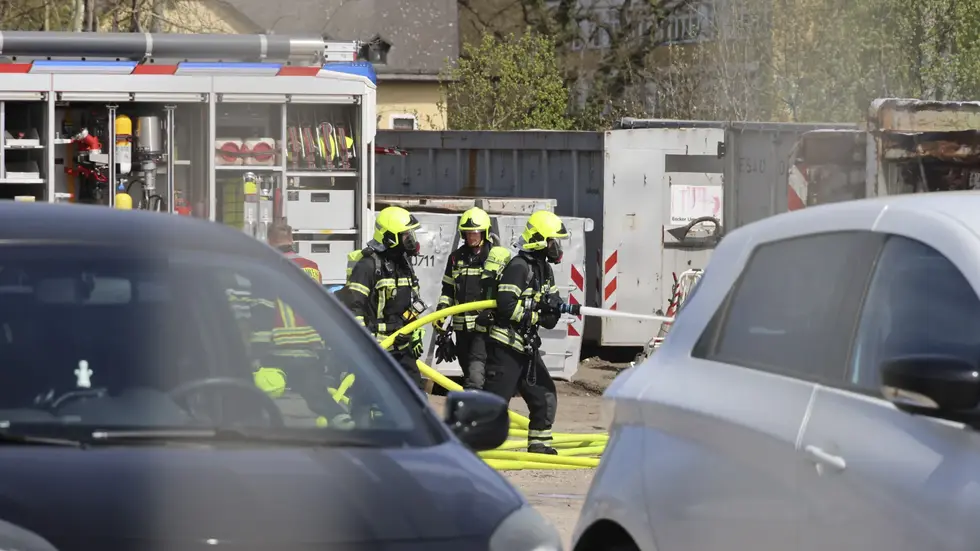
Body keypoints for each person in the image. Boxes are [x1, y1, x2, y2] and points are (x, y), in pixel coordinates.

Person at [482, 211, 580, 455]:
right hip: (505, 346)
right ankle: (478, 448)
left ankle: (539, 445)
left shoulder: (545, 271)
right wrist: (536, 313)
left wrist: (548, 310)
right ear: (538, 240)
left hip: (526, 347)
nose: (555, 247)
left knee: (544, 395)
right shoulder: (518, 267)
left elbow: (551, 315)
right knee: (495, 402)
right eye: (552, 241)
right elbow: (505, 306)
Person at [250, 222, 353, 428]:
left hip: (277, 350)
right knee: (318, 396)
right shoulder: (311, 267)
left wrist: (255, 354)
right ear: (292, 240)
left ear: (269, 241)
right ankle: (346, 425)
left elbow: (262, 310)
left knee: (260, 400)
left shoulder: (266, 267)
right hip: (310, 347)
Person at [342, 206, 427, 389]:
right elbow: (354, 307)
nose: (411, 240)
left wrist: (415, 331)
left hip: (402, 347)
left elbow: (413, 301)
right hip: (377, 350)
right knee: (371, 403)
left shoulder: (404, 264)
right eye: (406, 236)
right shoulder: (367, 266)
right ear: (390, 238)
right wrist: (363, 344)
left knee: (417, 399)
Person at [433, 207, 498, 390]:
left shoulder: (493, 257)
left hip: (483, 329)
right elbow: (448, 290)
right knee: (469, 372)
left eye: (475, 233)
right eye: (468, 233)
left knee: (476, 377)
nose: (471, 237)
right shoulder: (456, 258)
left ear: (485, 233)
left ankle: (475, 411)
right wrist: (441, 314)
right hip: (461, 329)